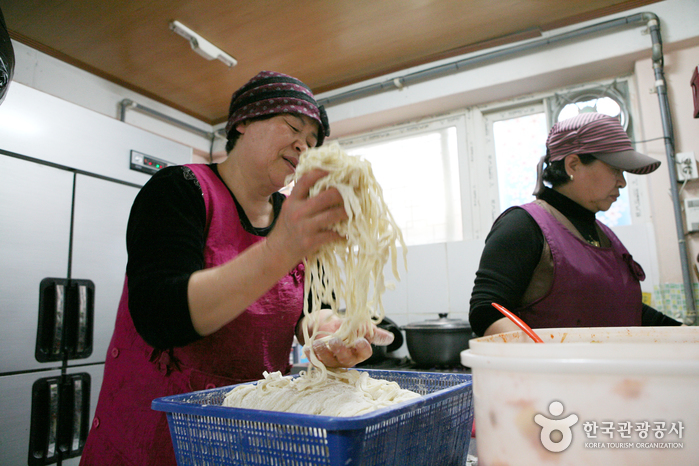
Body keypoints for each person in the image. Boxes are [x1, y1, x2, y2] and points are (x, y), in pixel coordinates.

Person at [80, 71, 394, 465]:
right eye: (293, 126)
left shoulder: (291, 216)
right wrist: (279, 249)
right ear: (242, 122)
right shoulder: (179, 190)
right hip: (157, 434)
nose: (304, 145)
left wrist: (326, 330)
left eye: (313, 142)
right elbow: (161, 315)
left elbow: (309, 309)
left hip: (250, 431)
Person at [469, 112, 682, 337]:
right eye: (615, 169)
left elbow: (621, 310)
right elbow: (487, 311)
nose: (622, 181)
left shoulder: (604, 235)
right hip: (552, 372)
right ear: (573, 165)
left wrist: (685, 334)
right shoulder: (523, 225)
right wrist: (547, 362)